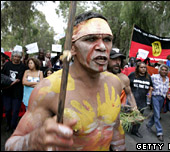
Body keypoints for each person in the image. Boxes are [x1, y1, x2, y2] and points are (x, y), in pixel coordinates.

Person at [5, 11, 126, 151]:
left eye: (107, 39)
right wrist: (33, 140)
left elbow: (115, 128)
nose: (102, 47)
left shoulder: (114, 83)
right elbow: (11, 145)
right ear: (72, 47)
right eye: (91, 39)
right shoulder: (50, 89)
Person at [1, 51, 27, 132]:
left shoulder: (23, 67)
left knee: (15, 110)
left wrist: (14, 82)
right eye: (15, 56)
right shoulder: (7, 65)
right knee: (8, 110)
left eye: (18, 57)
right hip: (7, 92)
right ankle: (8, 124)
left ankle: (14, 126)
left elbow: (20, 78)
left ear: (20, 58)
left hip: (17, 92)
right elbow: (2, 75)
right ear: (12, 57)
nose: (16, 58)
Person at [128, 62, 153, 138]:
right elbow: (126, 85)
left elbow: (150, 87)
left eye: (145, 67)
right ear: (138, 68)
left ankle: (135, 131)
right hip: (132, 100)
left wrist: (149, 94)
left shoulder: (148, 77)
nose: (143, 69)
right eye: (141, 67)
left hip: (142, 101)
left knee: (139, 117)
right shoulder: (132, 75)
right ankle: (128, 127)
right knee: (131, 115)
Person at [146, 64, 170, 142]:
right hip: (155, 97)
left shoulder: (167, 79)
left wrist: (167, 95)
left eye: (165, 70)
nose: (164, 71)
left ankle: (149, 124)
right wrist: (149, 92)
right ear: (159, 70)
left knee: (157, 113)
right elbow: (149, 85)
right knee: (157, 114)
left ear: (167, 71)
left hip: (162, 97)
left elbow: (166, 88)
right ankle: (159, 132)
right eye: (162, 69)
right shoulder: (154, 76)